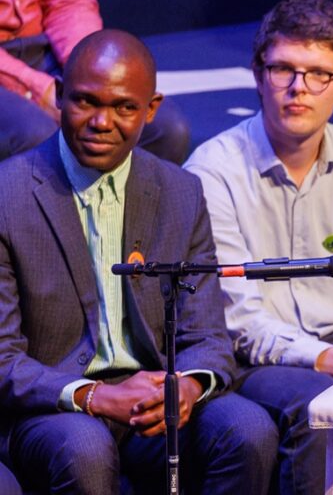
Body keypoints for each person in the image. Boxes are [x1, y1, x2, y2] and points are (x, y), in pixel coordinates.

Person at [0, 29, 278, 494]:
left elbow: (208, 334)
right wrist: (96, 396)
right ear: (60, 95)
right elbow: (4, 359)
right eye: (85, 101)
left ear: (151, 110)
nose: (101, 122)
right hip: (52, 409)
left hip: (149, 399)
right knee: (83, 446)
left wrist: (187, 386)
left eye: (125, 107)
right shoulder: (8, 194)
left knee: (246, 429)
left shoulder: (180, 191)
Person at [184, 0, 333, 494]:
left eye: (317, 73)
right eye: (283, 69)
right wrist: (328, 359)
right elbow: (237, 321)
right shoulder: (213, 170)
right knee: (315, 405)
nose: (298, 88)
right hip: (252, 358)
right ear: (259, 74)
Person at [0, 0, 189, 164]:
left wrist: (85, 63)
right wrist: (38, 90)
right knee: (38, 135)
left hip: (44, 46)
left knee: (165, 127)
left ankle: (131, 195)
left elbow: (68, 0)